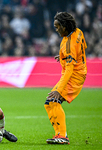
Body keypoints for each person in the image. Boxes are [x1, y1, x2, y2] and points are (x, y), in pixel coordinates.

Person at [44, 12, 87, 144]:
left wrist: (59, 90)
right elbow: (82, 47)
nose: (56, 30)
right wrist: (63, 57)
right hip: (77, 71)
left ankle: (62, 136)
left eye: (57, 27)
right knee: (48, 103)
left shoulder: (69, 46)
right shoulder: (78, 32)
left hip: (74, 75)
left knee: (54, 100)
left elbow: (69, 70)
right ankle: (58, 134)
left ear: (65, 26)